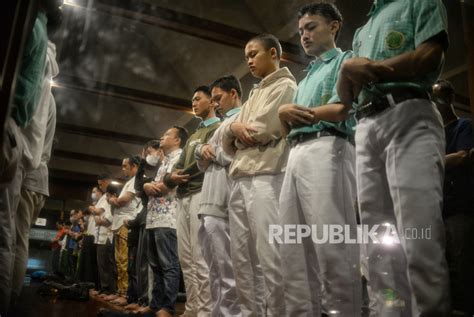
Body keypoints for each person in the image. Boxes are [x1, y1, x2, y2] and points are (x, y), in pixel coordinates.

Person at [337, 0, 450, 315]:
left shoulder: (419, 1)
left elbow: (430, 56)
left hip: (409, 112)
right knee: (378, 240)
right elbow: (347, 96)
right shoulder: (362, 29)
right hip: (366, 123)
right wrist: (347, 71)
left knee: (420, 232)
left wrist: (373, 70)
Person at [277, 3, 360, 316]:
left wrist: (290, 113)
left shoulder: (346, 59)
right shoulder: (306, 75)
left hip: (330, 147)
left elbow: (343, 109)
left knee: (331, 241)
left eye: (311, 27)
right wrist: (287, 115)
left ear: (334, 26)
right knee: (292, 244)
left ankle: (343, 311)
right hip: (297, 152)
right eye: (301, 31)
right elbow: (287, 128)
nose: (304, 36)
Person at [221, 34, 297, 316]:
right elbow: (228, 142)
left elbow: (260, 131)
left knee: (270, 253)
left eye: (253, 54)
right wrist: (232, 131)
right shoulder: (254, 93)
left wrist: (235, 134)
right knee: (241, 258)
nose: (249, 61)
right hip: (240, 177)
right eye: (246, 57)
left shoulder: (286, 85)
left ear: (273, 53)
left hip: (266, 175)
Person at [163, 86, 220, 316]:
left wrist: (176, 176)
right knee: (186, 259)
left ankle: (205, 311)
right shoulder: (194, 134)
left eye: (198, 99)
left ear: (212, 102)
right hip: (183, 197)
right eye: (192, 99)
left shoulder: (217, 127)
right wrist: (171, 177)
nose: (194, 103)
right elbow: (172, 171)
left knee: (201, 258)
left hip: (200, 193)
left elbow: (202, 165)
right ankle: (192, 308)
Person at [195, 75, 243, 316]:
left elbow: (233, 155)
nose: (215, 104)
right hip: (209, 200)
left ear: (233, 93)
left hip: (226, 200)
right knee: (214, 269)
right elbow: (202, 163)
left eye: (218, 98)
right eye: (212, 100)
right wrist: (200, 150)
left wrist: (210, 151)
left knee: (228, 271)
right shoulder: (222, 125)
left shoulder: (242, 117)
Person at [433, 79, 474, 316]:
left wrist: (429, 160)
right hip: (438, 211)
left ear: (450, 99)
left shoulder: (464, 127)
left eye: (440, 97)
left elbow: (462, 156)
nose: (437, 104)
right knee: (442, 267)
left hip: (460, 210)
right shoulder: (433, 134)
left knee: (463, 265)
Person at [144, 126, 188, 317]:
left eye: (167, 134)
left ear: (177, 140)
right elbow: (157, 184)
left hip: (168, 218)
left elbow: (165, 186)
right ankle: (155, 304)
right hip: (153, 217)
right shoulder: (164, 162)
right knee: (155, 266)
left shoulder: (181, 157)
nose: (162, 137)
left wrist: (150, 186)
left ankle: (168, 307)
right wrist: (147, 184)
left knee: (169, 265)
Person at [124, 140, 162, 312]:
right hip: (146, 218)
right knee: (141, 262)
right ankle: (142, 299)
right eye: (146, 154)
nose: (148, 155)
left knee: (150, 264)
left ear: (159, 151)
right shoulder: (149, 169)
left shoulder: (163, 168)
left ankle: (149, 300)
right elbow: (139, 185)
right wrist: (142, 165)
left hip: (157, 217)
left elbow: (147, 188)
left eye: (150, 152)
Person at [107, 157, 141, 305]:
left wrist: (111, 200)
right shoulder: (128, 182)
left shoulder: (135, 181)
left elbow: (122, 201)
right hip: (118, 224)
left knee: (124, 260)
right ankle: (120, 291)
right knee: (119, 260)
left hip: (125, 224)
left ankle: (126, 293)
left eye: (125, 166)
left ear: (133, 166)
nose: (123, 169)